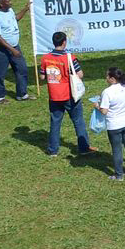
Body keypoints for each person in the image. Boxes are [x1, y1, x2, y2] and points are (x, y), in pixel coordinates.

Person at [39, 32, 93, 160]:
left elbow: (42, 77)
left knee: (55, 122)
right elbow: (80, 74)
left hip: (54, 95)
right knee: (78, 121)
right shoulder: (69, 58)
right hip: (69, 95)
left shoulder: (45, 58)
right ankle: (84, 148)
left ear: (53, 42)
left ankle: (53, 150)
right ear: (64, 42)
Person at [92, 66, 125, 180]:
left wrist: (97, 106)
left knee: (117, 150)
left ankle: (119, 175)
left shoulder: (107, 92)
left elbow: (104, 111)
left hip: (114, 125)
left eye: (107, 76)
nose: (106, 78)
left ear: (112, 79)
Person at [0, 0, 31, 103]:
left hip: (14, 47)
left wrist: (25, 9)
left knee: (22, 69)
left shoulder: (9, 10)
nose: (11, 3)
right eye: (8, 2)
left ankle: (22, 94)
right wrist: (12, 50)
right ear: (1, 4)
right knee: (0, 73)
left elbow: (15, 18)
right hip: (1, 49)